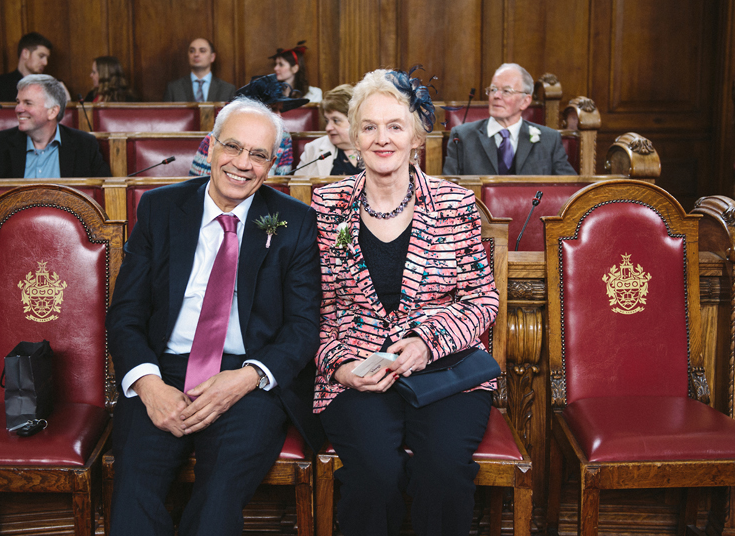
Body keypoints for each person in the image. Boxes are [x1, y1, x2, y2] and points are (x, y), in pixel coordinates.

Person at [106, 96, 322, 536]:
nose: (243, 164)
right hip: (162, 369)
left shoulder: (294, 221)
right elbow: (125, 313)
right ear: (210, 146)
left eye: (259, 155)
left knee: (219, 492)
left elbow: (303, 327)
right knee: (134, 487)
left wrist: (246, 377)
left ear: (273, 164)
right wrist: (148, 386)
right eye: (233, 147)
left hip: (249, 379)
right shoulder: (159, 208)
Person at [312, 69, 499, 536]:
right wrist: (339, 367)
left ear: (417, 135)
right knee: (374, 476)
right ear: (353, 136)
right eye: (369, 127)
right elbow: (308, 308)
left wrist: (424, 342)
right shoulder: (325, 205)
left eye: (395, 125)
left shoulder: (455, 204)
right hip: (358, 373)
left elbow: (482, 300)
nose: (382, 139)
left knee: (442, 473)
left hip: (444, 373)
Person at [0, 74, 109, 179]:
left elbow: (103, 193)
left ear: (52, 111)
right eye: (18, 102)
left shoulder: (84, 145)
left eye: (28, 103)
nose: (18, 109)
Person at [443, 63, 575, 176]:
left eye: (506, 91)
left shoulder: (549, 140)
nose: (496, 96)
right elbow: (448, 190)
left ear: (525, 101)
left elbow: (568, 189)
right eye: (493, 89)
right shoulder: (463, 136)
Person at [189, 74, 304, 176]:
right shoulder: (215, 137)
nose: (279, 116)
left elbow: (280, 183)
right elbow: (198, 184)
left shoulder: (283, 137)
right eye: (273, 109)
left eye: (280, 110)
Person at [294, 84, 360, 176]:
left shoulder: (377, 147)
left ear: (355, 120)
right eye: (327, 121)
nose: (328, 128)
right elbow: (298, 188)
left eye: (336, 121)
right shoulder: (313, 149)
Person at [0, 32, 53, 102]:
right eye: (41, 56)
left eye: (47, 58)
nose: (45, 63)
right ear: (25, 53)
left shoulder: (49, 87)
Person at [163, 38, 237, 102]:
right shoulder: (174, 88)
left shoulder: (227, 89)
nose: (196, 54)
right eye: (192, 51)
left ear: (212, 57)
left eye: (202, 51)